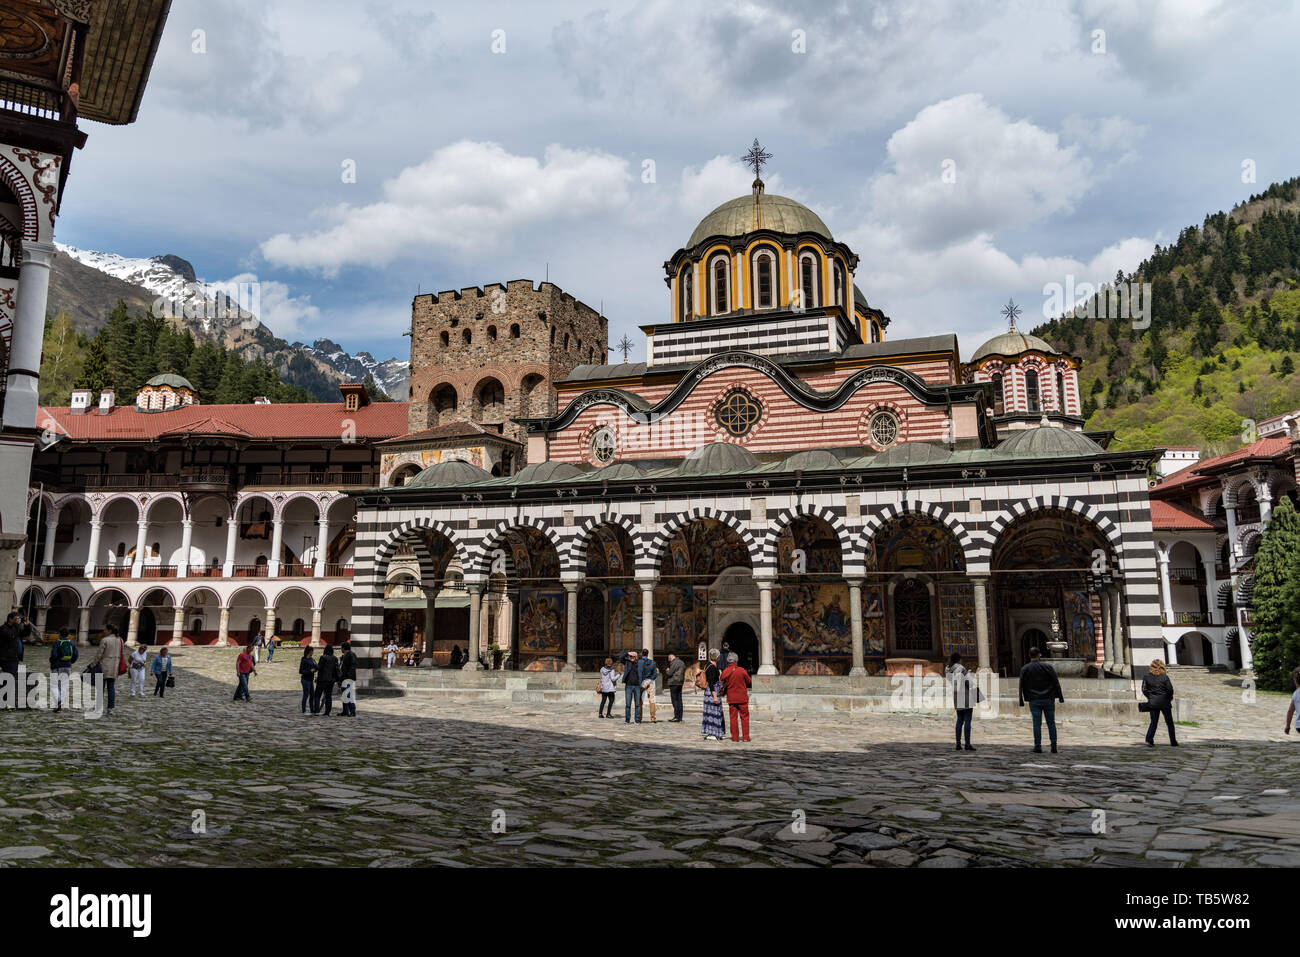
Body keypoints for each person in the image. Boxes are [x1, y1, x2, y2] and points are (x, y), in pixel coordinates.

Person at [1018, 647, 1064, 753]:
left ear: (1029, 655)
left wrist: (1021, 700)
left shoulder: (1025, 668)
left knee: (1036, 723)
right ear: (1039, 655)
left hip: (1034, 699)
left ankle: (1037, 746)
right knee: (1051, 723)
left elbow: (1021, 685)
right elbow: (1055, 682)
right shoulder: (1047, 667)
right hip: (1048, 698)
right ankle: (1053, 746)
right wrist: (1060, 697)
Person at [88, 624, 124, 714]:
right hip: (114, 667)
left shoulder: (105, 640)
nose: (104, 631)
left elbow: (99, 654)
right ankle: (110, 709)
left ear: (109, 631)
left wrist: (93, 664)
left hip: (103, 667)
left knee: (100, 688)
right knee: (111, 688)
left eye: (105, 630)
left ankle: (99, 708)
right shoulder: (120, 640)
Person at [1141, 658, 1178, 747]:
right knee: (1169, 722)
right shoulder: (1165, 677)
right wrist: (1169, 698)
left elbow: (1144, 689)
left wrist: (1150, 697)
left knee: (1153, 722)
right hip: (1165, 702)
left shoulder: (1147, 676)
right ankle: (1173, 741)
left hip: (1153, 702)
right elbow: (1170, 690)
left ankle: (1149, 740)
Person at [947, 652, 978, 751]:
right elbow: (969, 682)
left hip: (956, 696)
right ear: (959, 660)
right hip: (966, 695)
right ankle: (967, 744)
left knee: (959, 720)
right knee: (967, 720)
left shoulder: (948, 670)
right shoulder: (961, 668)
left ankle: (958, 743)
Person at [720, 652, 752, 742]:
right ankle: (745, 737)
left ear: (727, 661)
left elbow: (721, 679)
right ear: (736, 660)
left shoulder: (725, 671)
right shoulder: (741, 670)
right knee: (745, 718)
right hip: (742, 698)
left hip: (731, 699)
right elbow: (749, 681)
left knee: (733, 718)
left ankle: (735, 738)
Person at [0, 612, 28, 706]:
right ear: (10, 619)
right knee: (7, 679)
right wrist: (17, 625)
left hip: (14, 658)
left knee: (10, 679)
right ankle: (4, 701)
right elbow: (11, 635)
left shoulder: (15, 629)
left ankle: (6, 701)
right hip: (6, 658)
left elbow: (25, 633)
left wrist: (27, 626)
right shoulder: (4, 629)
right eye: (16, 619)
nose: (18, 620)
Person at [49, 627, 78, 711]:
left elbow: (54, 655)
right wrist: (70, 662)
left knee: (54, 685)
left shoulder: (56, 643)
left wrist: (52, 661)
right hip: (67, 666)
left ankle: (58, 701)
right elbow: (76, 654)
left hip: (57, 666)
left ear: (59, 634)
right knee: (64, 685)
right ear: (68, 635)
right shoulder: (71, 643)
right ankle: (61, 703)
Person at [700, 648, 725, 741]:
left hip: (712, 691)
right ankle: (712, 732)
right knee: (713, 713)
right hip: (711, 692)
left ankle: (716, 732)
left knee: (713, 712)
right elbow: (711, 682)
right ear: (717, 657)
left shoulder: (709, 664)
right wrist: (714, 696)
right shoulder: (711, 667)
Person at [314, 645, 340, 715]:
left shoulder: (323, 657)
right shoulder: (335, 658)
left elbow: (319, 667)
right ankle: (327, 712)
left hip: (322, 680)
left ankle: (316, 710)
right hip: (331, 680)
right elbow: (336, 670)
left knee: (317, 695)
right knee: (328, 696)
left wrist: (315, 665)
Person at [622, 650, 643, 723]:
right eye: (630, 656)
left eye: (633, 656)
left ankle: (637, 720)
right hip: (629, 686)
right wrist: (628, 653)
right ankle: (627, 720)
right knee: (628, 704)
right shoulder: (627, 662)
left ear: (636, 657)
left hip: (637, 686)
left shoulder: (640, 663)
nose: (631, 657)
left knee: (637, 704)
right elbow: (621, 658)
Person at [664, 652, 686, 722]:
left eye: (669, 660)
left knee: (675, 700)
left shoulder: (674, 663)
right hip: (680, 683)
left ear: (670, 658)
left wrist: (667, 670)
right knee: (679, 700)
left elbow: (670, 673)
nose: (669, 661)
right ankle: (680, 717)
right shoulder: (682, 662)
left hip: (674, 682)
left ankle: (676, 717)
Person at [640, 648, 659, 723]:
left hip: (641, 682)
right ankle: (653, 718)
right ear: (648, 654)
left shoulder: (639, 662)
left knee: (640, 700)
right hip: (651, 682)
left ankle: (639, 717)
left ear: (642, 654)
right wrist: (649, 680)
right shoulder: (652, 663)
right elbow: (655, 674)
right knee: (652, 700)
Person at [339, 641, 358, 716]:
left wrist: (348, 677)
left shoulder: (351, 654)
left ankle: (352, 710)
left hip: (348, 678)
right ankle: (345, 711)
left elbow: (353, 666)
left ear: (343, 648)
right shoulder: (344, 656)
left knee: (349, 695)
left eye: (341, 648)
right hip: (343, 678)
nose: (341, 649)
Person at [299, 647, 318, 714]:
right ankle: (304, 710)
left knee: (312, 695)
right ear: (309, 651)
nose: (313, 652)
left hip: (310, 680)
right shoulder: (304, 659)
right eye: (312, 651)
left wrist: (316, 667)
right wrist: (310, 671)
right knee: (306, 695)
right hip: (305, 680)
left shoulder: (312, 659)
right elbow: (301, 671)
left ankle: (312, 710)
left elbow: (316, 667)